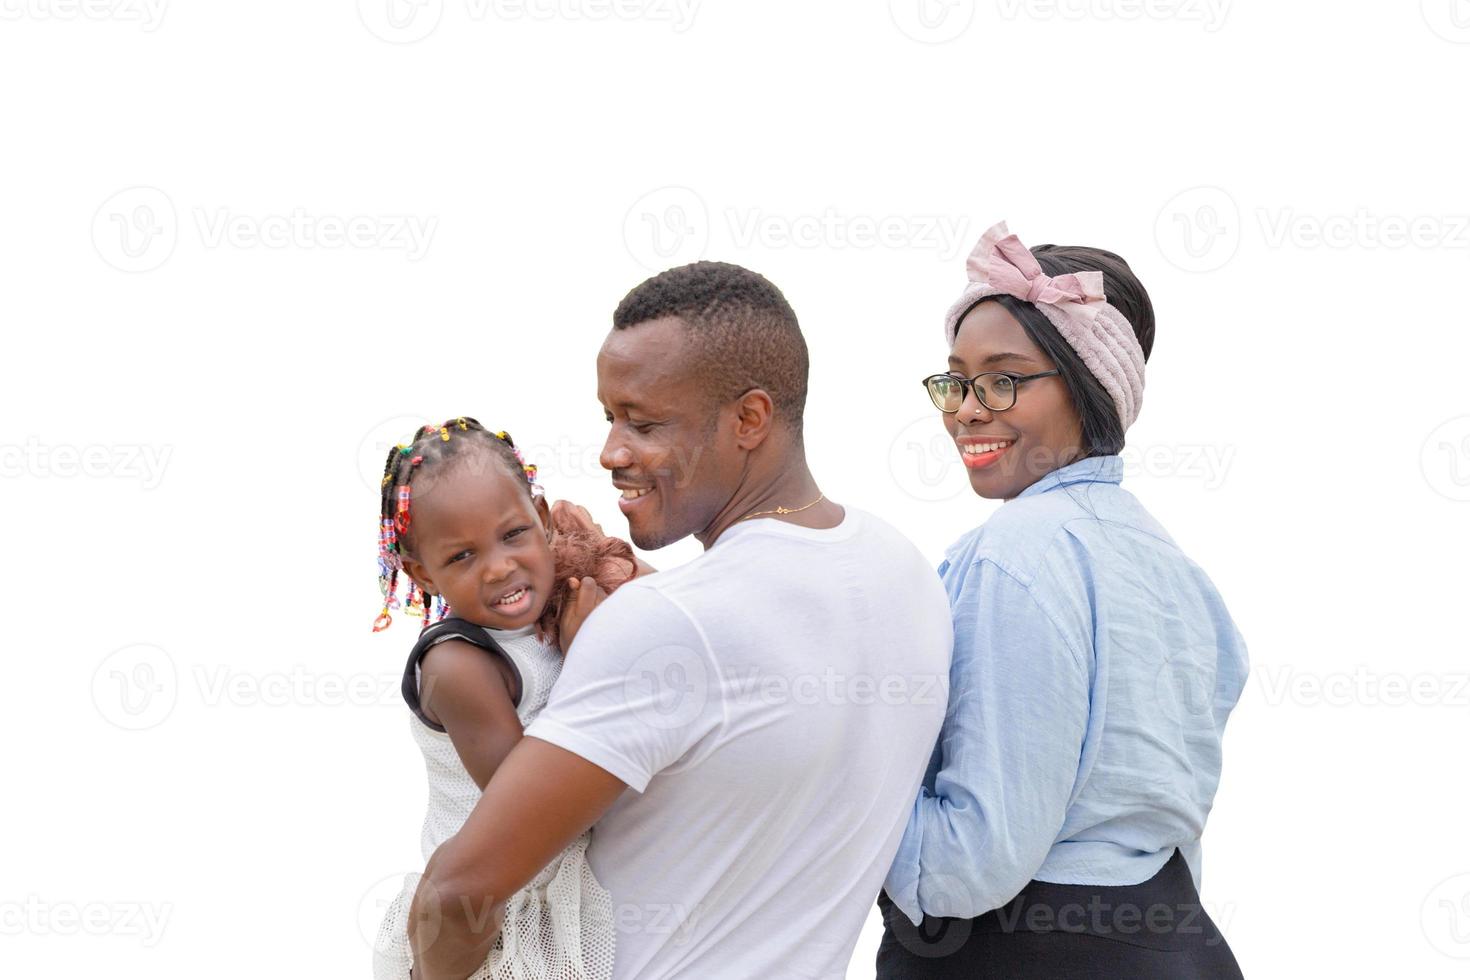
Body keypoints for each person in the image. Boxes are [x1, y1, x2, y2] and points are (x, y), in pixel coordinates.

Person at [407, 262, 953, 980]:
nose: (610, 452)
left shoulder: (663, 623)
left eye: (644, 422)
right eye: (609, 417)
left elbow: (458, 896)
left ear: (749, 420)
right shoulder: (906, 572)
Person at [878, 221, 1248, 977]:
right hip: (1177, 942)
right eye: (956, 380)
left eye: (1004, 378)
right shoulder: (1174, 566)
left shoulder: (1016, 554)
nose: (967, 409)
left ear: (1087, 389)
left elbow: (971, 863)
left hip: (1029, 950)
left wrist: (836, 795)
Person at [369, 418, 641, 980]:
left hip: (563, 893)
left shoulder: (557, 606)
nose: (498, 566)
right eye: (462, 556)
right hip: (490, 924)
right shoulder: (456, 664)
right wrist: (591, 655)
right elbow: (531, 804)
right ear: (423, 572)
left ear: (542, 520)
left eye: (514, 533)